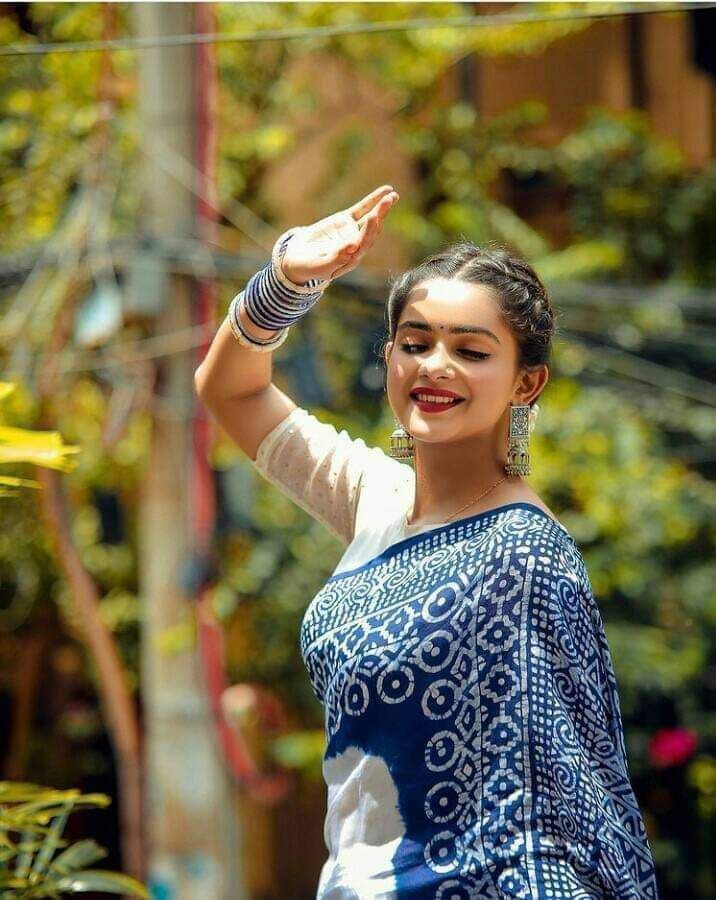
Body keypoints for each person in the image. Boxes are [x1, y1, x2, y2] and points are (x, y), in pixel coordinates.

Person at [195, 186, 659, 898]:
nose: (434, 365)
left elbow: (555, 803)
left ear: (525, 383)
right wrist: (289, 278)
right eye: (415, 344)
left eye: (470, 350)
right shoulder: (371, 497)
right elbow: (229, 388)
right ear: (389, 359)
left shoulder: (523, 553)